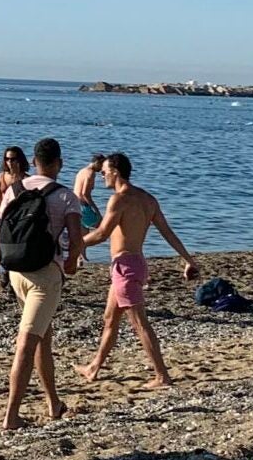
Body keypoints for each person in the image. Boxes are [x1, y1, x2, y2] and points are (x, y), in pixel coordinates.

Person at [76, 153, 202, 389]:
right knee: (110, 319)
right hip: (133, 265)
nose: (101, 175)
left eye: (104, 171)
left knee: (139, 324)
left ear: (115, 171)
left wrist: (75, 244)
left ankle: (162, 376)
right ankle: (93, 368)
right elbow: (167, 231)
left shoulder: (119, 200)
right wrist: (188, 260)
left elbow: (103, 233)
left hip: (125, 268)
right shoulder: (148, 199)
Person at [0, 136, 81, 427]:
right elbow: (76, 239)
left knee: (43, 338)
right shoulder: (65, 196)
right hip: (44, 279)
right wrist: (71, 264)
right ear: (59, 163)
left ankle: (54, 404)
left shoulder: (14, 190)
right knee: (27, 343)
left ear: (34, 162)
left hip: (16, 273)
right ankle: (11, 416)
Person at [0, 147, 29, 218]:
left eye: (13, 159)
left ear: (19, 160)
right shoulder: (1, 176)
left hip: (17, 216)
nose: (9, 162)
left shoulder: (26, 179)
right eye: (7, 159)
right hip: (3, 215)